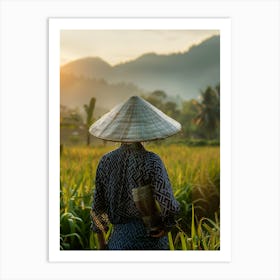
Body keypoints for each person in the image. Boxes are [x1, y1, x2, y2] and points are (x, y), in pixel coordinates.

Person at [89, 96, 181, 250]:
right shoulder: (152, 161)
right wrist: (168, 225)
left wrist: (102, 244)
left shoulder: (105, 161)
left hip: (118, 241)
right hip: (150, 241)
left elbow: (98, 208)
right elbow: (169, 205)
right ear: (145, 129)